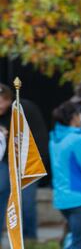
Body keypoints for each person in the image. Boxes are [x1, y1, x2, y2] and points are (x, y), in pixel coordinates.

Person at [49, 101, 81, 249]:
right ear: (73, 117)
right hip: (80, 197)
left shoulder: (54, 139)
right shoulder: (77, 139)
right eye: (79, 115)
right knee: (80, 244)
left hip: (62, 199)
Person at [0, 83, 48, 240]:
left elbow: (40, 136)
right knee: (3, 199)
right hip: (5, 163)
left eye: (2, 101)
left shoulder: (24, 109)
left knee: (26, 204)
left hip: (26, 163)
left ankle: (29, 241)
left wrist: (39, 161)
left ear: (8, 99)